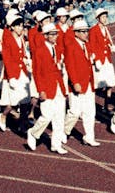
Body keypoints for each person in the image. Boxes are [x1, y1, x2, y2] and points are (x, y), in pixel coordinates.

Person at [27, 22, 67, 154]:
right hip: (46, 87)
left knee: (60, 117)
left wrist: (63, 88)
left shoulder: (57, 48)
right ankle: (33, 133)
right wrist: (40, 90)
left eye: (56, 34)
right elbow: (37, 73)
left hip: (58, 86)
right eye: (52, 34)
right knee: (47, 115)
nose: (55, 36)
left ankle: (56, 144)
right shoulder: (40, 50)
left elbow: (59, 68)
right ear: (46, 36)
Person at [63, 19, 100, 146]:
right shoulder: (71, 46)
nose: (86, 34)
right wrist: (75, 82)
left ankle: (89, 136)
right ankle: (64, 131)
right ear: (76, 33)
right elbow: (70, 66)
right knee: (74, 111)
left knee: (90, 111)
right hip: (78, 84)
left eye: (86, 31)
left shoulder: (87, 45)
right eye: (83, 31)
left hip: (89, 83)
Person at [0, 13, 31, 135]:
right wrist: (12, 76)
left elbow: (22, 54)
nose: (20, 28)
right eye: (17, 26)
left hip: (22, 72)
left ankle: (22, 125)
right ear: (11, 27)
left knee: (24, 102)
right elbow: (7, 59)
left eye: (21, 25)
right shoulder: (7, 40)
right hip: (13, 75)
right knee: (12, 103)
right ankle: (3, 115)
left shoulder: (22, 39)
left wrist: (26, 61)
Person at [88, 7, 115, 117]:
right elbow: (92, 45)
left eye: (106, 16)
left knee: (110, 83)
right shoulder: (93, 30)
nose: (105, 19)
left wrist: (111, 46)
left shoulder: (106, 29)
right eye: (103, 17)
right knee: (97, 85)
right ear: (98, 18)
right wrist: (96, 59)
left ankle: (106, 105)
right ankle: (91, 107)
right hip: (99, 60)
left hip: (107, 59)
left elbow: (108, 41)